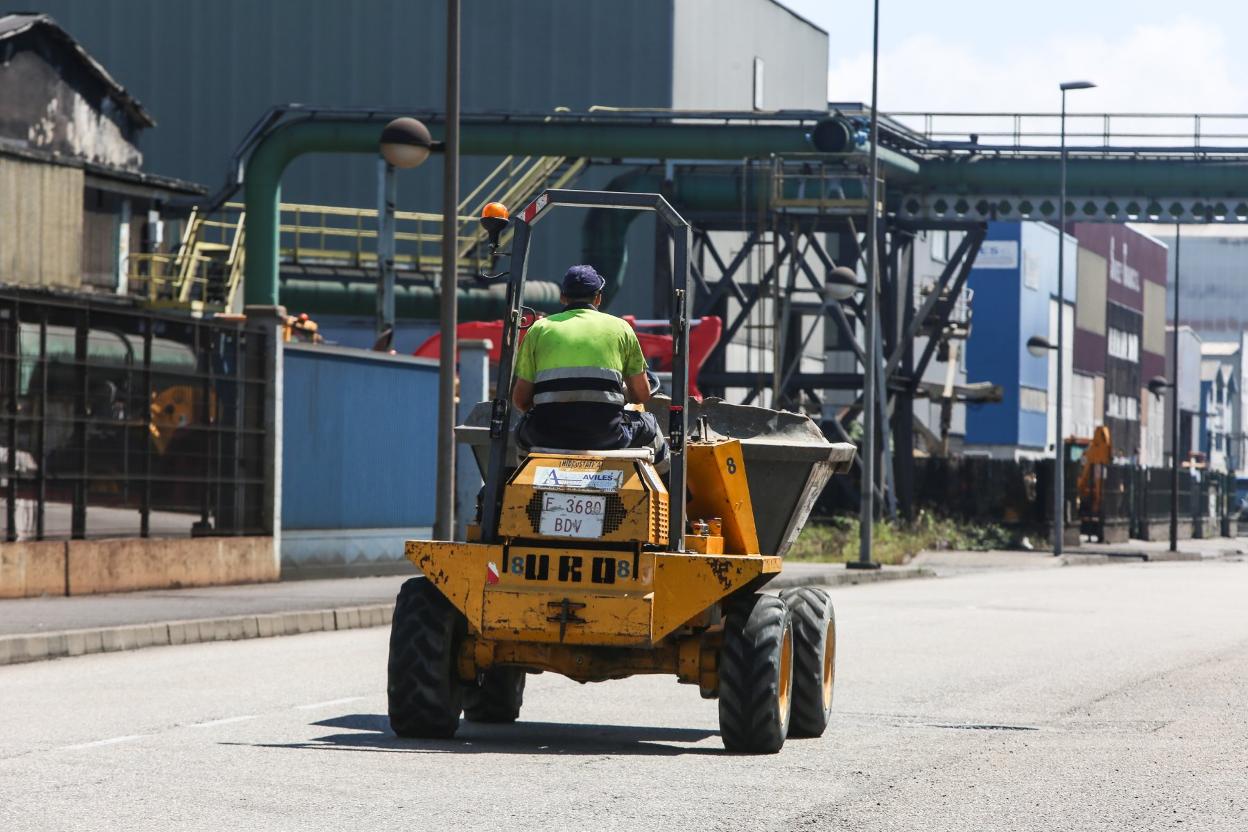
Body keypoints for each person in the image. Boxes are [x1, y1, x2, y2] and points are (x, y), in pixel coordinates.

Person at [512, 264, 669, 472]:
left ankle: (521, 491)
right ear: (598, 298)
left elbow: (521, 401)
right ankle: (674, 496)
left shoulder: (539, 329)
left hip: (547, 435)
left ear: (562, 297)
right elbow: (641, 394)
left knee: (520, 432)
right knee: (650, 426)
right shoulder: (620, 328)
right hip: (608, 436)